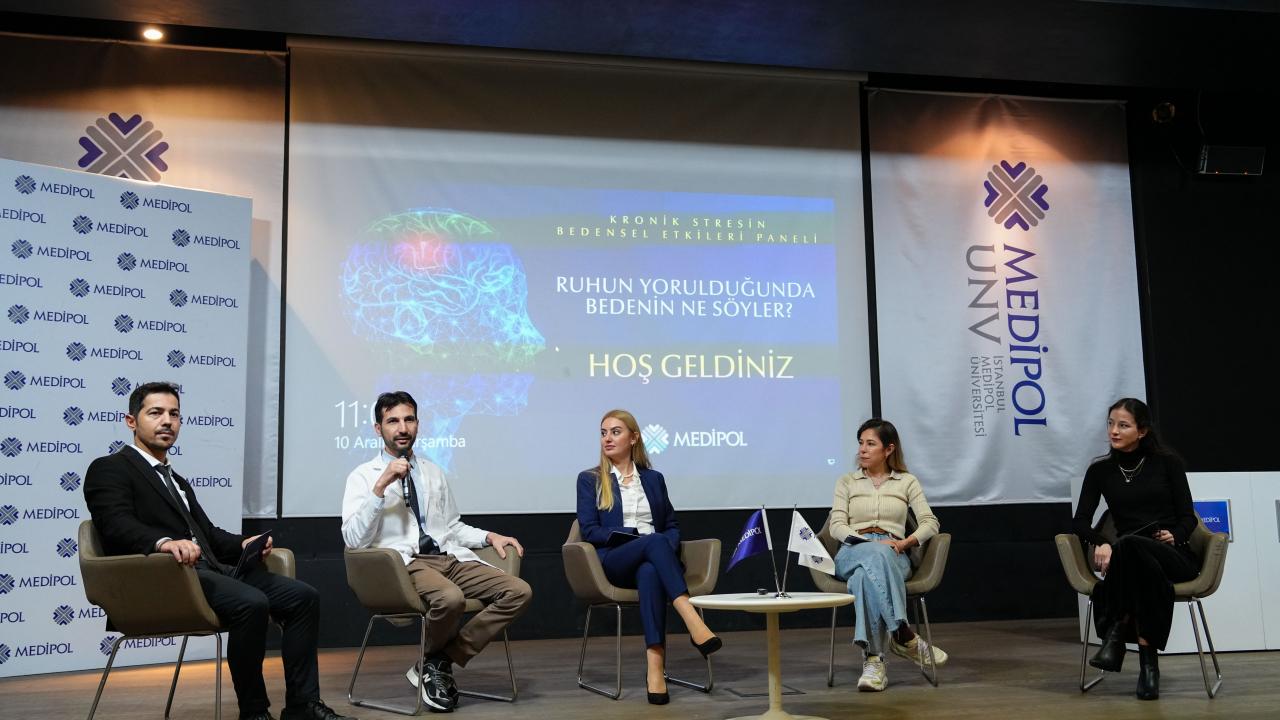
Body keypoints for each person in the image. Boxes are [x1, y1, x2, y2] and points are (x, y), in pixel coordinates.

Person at [84, 382, 354, 720]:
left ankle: (302, 706)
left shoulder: (176, 479)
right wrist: (163, 543)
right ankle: (254, 712)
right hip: (165, 580)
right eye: (155, 413)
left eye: (174, 414)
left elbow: (207, 535)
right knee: (251, 603)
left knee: (303, 597)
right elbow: (115, 524)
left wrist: (243, 544)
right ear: (131, 421)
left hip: (208, 573)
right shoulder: (109, 467)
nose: (167, 421)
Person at [341, 391, 531, 713]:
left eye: (409, 419)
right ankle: (436, 665)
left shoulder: (432, 471)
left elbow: (451, 526)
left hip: (448, 557)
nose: (402, 428)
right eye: (393, 421)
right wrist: (380, 487)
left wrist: (489, 536)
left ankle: (437, 661)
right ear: (378, 429)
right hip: (404, 564)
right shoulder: (363, 477)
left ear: (417, 424)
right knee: (451, 599)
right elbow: (354, 539)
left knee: (519, 592)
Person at [574, 409, 722, 705]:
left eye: (615, 432)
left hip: (653, 560)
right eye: (603, 433)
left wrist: (662, 544)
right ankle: (691, 618)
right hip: (614, 560)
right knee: (652, 541)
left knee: (650, 570)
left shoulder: (654, 479)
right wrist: (633, 536)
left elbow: (671, 526)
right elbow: (589, 530)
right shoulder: (590, 479)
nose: (607, 438)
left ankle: (655, 668)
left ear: (634, 438)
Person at [1072, 397, 1198, 701]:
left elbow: (1188, 517)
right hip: (1133, 559)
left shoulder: (1168, 464)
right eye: (1111, 424)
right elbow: (1080, 522)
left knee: (1129, 547)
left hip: (1172, 555)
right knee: (1133, 555)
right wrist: (1102, 542)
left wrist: (1175, 535)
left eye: (1123, 425)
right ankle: (1148, 667)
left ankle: (1116, 631)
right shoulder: (1100, 471)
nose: (1114, 431)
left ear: (1141, 431)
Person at [829, 418, 948, 692]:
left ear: (889, 449)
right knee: (874, 556)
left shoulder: (907, 481)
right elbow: (836, 526)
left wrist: (905, 543)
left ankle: (874, 661)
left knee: (863, 578)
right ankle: (902, 633)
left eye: (871, 444)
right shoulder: (846, 482)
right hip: (852, 551)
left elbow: (930, 523)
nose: (863, 449)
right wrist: (868, 544)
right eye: (861, 443)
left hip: (895, 552)